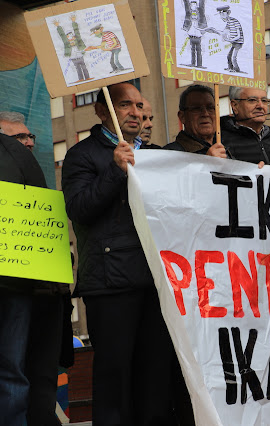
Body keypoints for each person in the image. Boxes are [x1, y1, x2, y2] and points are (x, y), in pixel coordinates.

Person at [61, 82, 177, 426]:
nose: (136, 112)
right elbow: (79, 209)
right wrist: (115, 170)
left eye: (140, 105)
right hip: (111, 284)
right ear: (102, 111)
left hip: (156, 282)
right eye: (125, 105)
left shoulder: (155, 154)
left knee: (155, 379)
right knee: (115, 380)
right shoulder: (83, 155)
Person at [0, 133, 71, 426]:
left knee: (11, 372)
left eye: (31, 137)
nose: (28, 141)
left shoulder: (13, 151)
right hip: (17, 288)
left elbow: (40, 216)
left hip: (14, 287)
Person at [221, 86, 270, 166]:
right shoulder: (221, 143)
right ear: (235, 106)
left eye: (264, 101)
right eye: (252, 100)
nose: (260, 106)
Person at [164, 84, 226, 157]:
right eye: (196, 108)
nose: (205, 114)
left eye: (210, 108)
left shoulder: (225, 149)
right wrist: (207, 163)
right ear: (182, 117)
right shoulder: (169, 155)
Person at [54, 15, 91, 83]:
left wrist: (73, 22)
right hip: (73, 57)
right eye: (69, 37)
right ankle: (81, 78)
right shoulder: (66, 42)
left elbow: (77, 31)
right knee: (77, 68)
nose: (71, 38)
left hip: (80, 56)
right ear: (67, 37)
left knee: (84, 67)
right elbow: (62, 35)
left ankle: (87, 77)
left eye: (72, 36)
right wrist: (58, 26)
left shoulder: (77, 40)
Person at [182, 0, 206, 68]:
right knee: (192, 50)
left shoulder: (200, 13)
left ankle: (199, 64)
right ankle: (193, 63)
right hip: (192, 33)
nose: (193, 6)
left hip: (198, 34)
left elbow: (202, 6)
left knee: (198, 50)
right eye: (192, 5)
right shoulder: (189, 13)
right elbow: (186, 6)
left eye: (194, 5)